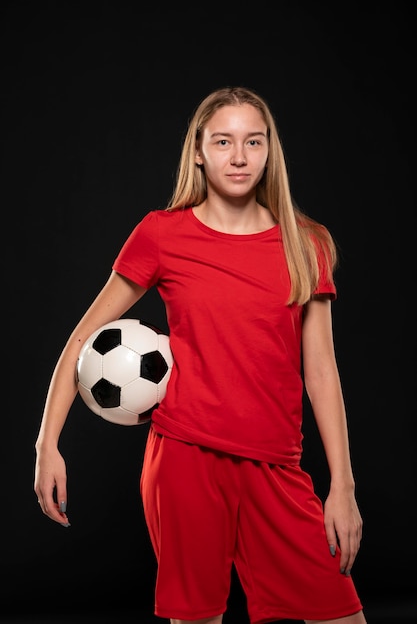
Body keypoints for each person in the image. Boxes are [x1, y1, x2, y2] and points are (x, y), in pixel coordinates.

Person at [34, 86, 366, 624]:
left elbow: (322, 372)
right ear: (198, 150)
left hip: (276, 463)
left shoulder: (307, 244)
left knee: (340, 612)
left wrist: (343, 486)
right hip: (185, 457)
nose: (239, 157)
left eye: (252, 141)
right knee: (197, 618)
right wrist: (47, 444)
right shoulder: (161, 235)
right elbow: (82, 340)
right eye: (223, 141)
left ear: (269, 150)